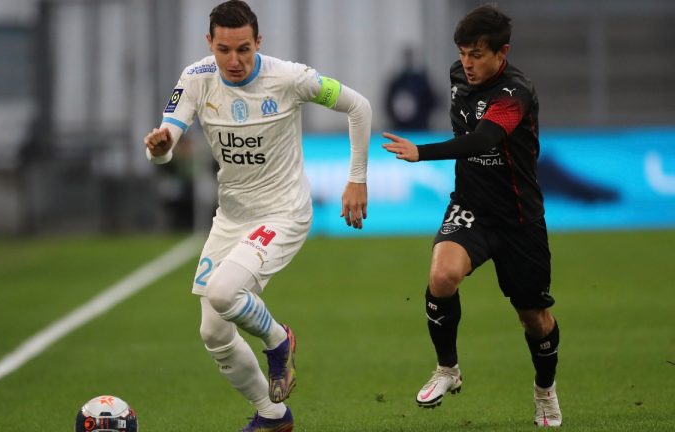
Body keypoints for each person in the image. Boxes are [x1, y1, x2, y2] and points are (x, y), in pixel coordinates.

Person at [143, 1, 371, 431]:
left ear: (258, 43)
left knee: (224, 293)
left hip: (283, 213)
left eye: (244, 49)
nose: (234, 60)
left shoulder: (289, 78)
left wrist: (356, 179)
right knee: (213, 332)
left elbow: (358, 107)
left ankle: (279, 340)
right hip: (231, 218)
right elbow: (166, 139)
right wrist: (161, 149)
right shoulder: (196, 79)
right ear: (209, 43)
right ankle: (272, 416)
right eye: (224, 49)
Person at [382, 5, 562, 427]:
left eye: (478, 54)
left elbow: (483, 139)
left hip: (519, 218)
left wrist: (422, 152)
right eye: (464, 52)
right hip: (471, 206)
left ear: (503, 53)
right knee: (442, 276)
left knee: (534, 318)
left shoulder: (515, 93)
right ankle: (448, 369)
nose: (468, 62)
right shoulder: (456, 75)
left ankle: (545, 390)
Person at [384, 45, 437, 131]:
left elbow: (432, 101)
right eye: (406, 58)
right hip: (400, 129)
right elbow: (387, 105)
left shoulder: (422, 82)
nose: (408, 61)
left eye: (411, 58)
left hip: (420, 128)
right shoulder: (396, 82)